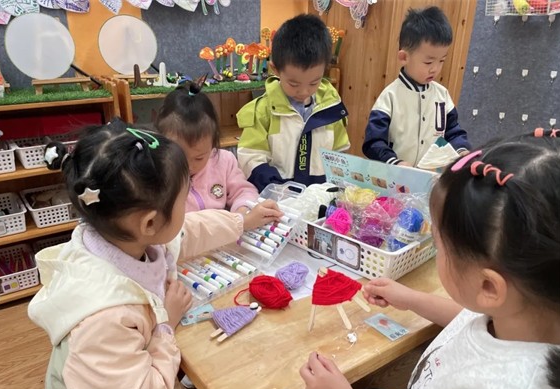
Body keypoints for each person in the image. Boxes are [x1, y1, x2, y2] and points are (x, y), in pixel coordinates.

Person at [301, 130, 560, 389]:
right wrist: (411, 299)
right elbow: (468, 320)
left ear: (488, 287)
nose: (438, 252)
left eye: (440, 246)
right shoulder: (526, 316)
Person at [28, 120, 238, 389]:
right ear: (150, 223)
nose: (187, 207)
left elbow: (187, 233)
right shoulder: (104, 317)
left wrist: (242, 221)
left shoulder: (115, 238)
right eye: (183, 199)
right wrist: (166, 323)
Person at [237, 14, 350, 191]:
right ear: (275, 69)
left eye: (314, 82)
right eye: (294, 84)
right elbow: (250, 156)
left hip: (320, 195)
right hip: (278, 195)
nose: (304, 92)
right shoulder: (263, 111)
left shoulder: (331, 108)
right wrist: (275, 187)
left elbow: (340, 152)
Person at [155, 82, 283, 230]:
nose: (189, 166)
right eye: (180, 156)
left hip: (226, 236)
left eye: (199, 158)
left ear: (213, 145)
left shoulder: (224, 161)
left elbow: (243, 191)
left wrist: (242, 211)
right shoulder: (157, 171)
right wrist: (237, 223)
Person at [362, 6, 471, 166]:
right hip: (397, 176)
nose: (435, 69)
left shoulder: (442, 95)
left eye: (441, 61)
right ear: (404, 57)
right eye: (428, 62)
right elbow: (373, 142)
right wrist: (393, 161)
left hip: (431, 176)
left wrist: (461, 150)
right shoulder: (390, 97)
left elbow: (454, 132)